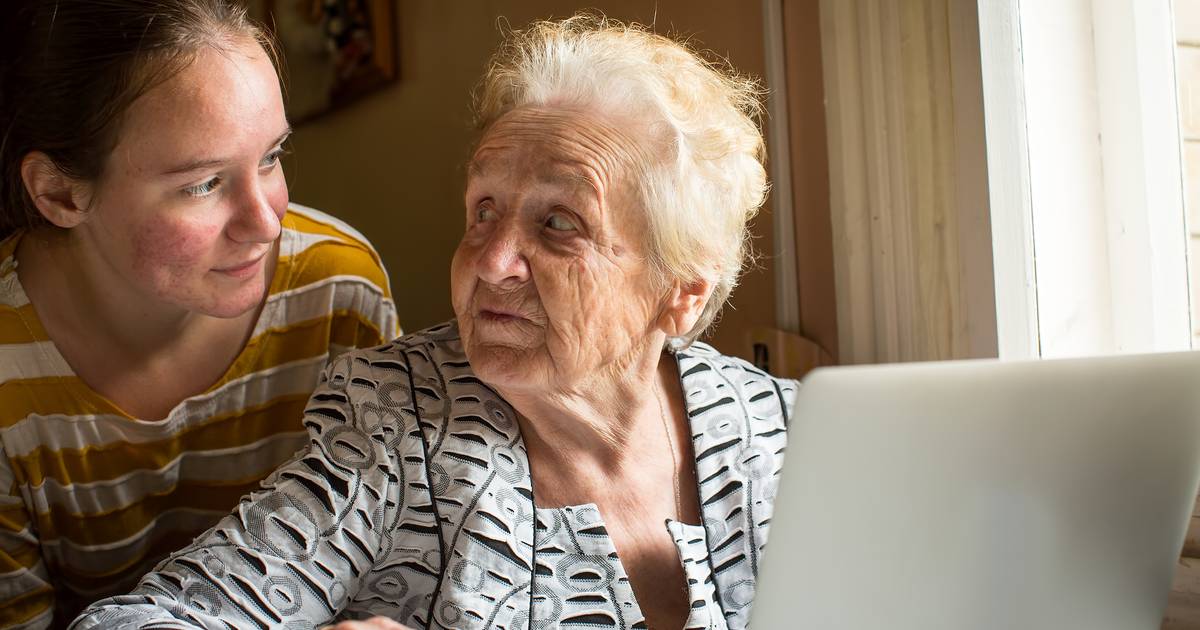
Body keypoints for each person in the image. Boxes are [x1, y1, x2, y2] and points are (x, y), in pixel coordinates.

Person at [70, 13, 794, 630]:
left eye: (558, 223)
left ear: (681, 292)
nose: (492, 261)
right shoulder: (399, 426)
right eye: (484, 210)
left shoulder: (778, 428)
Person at [0, 1, 400, 626]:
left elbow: (388, 564)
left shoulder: (340, 294)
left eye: (271, 157)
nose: (266, 223)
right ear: (59, 192)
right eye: (202, 184)